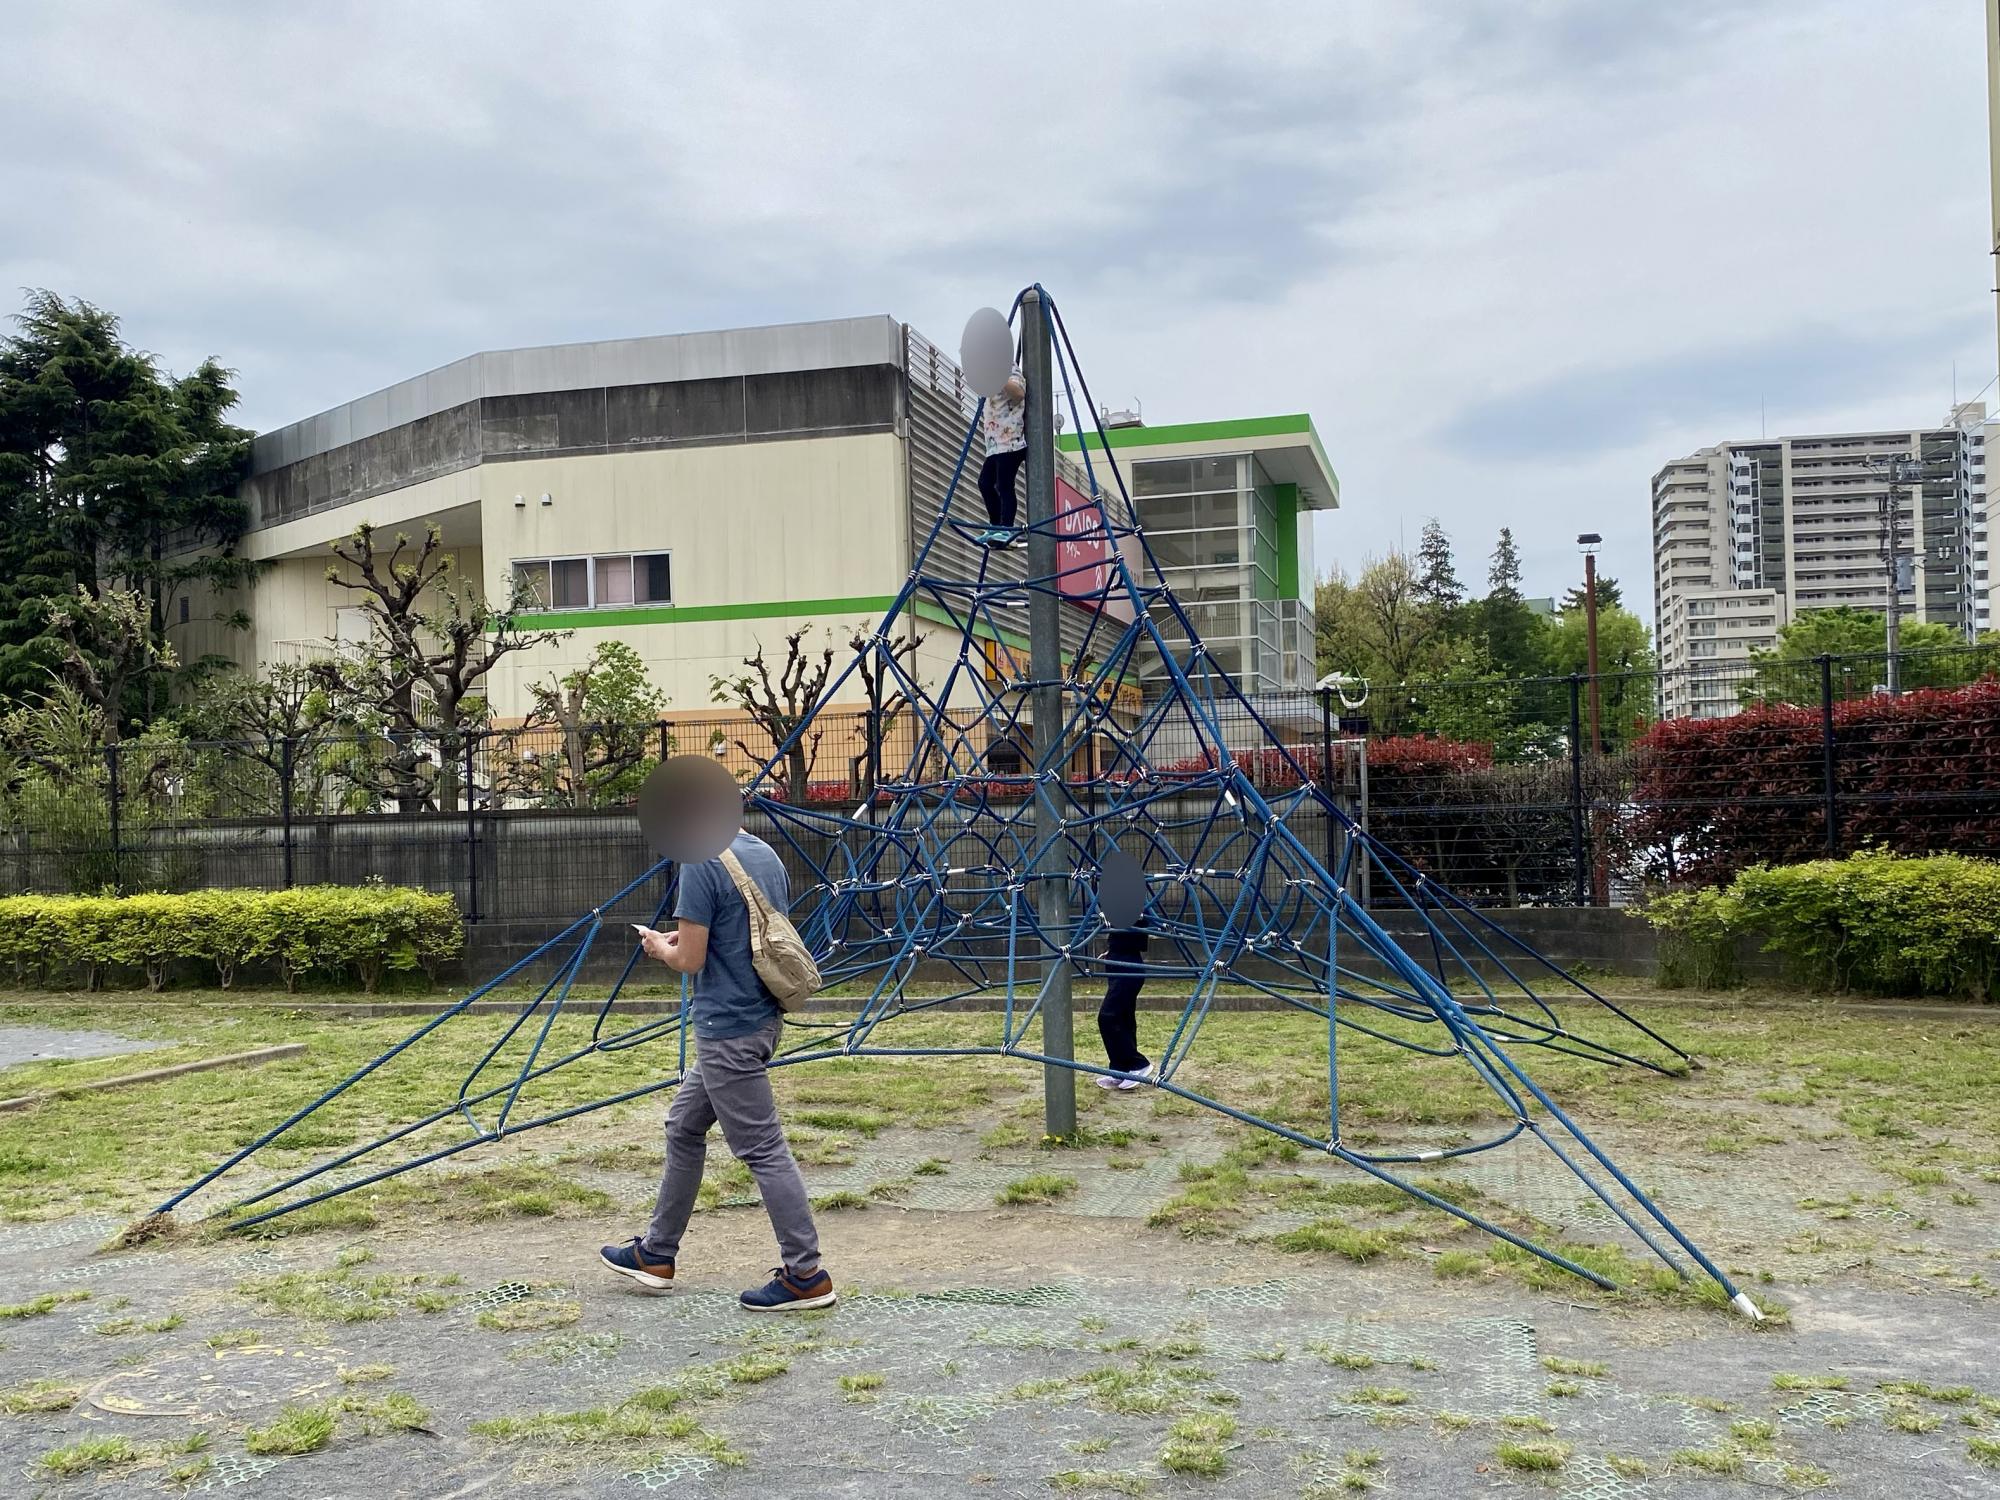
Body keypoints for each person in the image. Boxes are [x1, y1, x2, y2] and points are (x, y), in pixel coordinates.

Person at [600, 827, 835, 1311]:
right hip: (762, 1016)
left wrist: (660, 947)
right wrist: (683, 934)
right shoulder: (762, 852)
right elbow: (743, 929)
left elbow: (690, 959)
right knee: (683, 1126)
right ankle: (656, 1255)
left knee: (763, 1149)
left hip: (727, 1030)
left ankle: (806, 1274)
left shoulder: (699, 862)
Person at [1096, 908, 1155, 1090]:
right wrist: (1112, 951)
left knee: (1108, 1016)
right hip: (1118, 961)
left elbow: (1144, 922)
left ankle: (1139, 1064)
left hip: (1129, 967)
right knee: (1124, 1018)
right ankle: (1120, 1069)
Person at [976, 360, 1027, 548]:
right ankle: (996, 525)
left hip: (1011, 442)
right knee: (985, 483)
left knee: (1004, 485)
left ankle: (1006, 528)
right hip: (994, 444)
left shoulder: (1007, 367)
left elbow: (1019, 393)